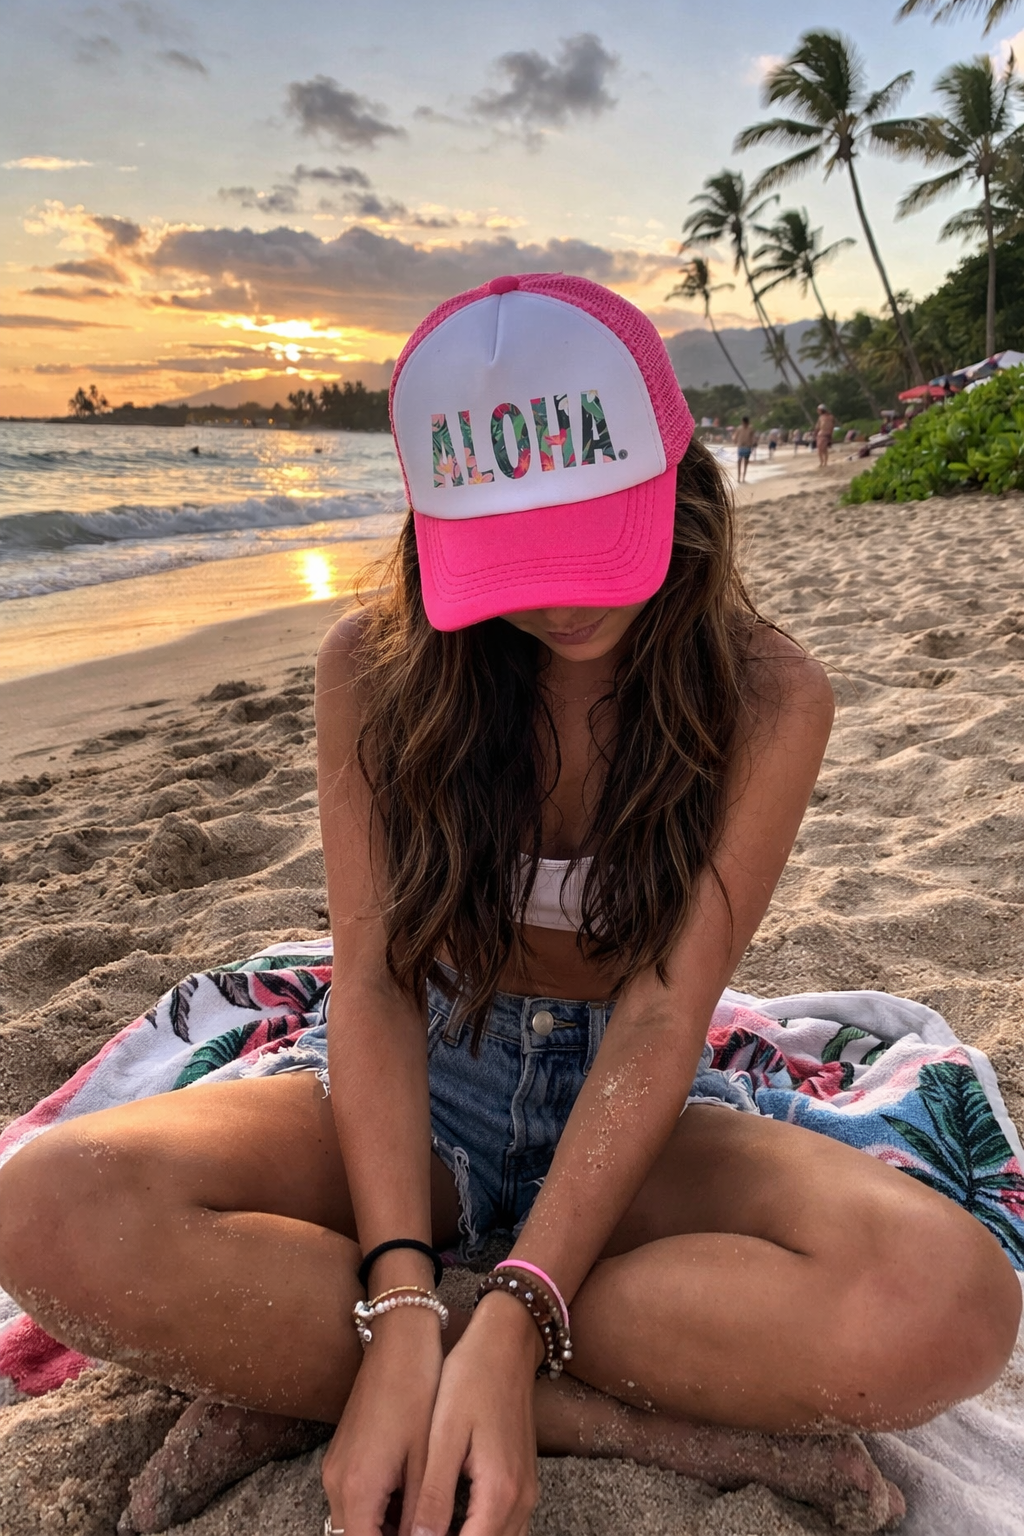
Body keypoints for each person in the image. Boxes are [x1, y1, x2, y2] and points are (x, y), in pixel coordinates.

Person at [0, 274, 1019, 1536]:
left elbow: (661, 1018)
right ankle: (533, 1389)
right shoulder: (376, 671)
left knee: (944, 1303)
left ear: (677, 479)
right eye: (520, 556)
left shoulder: (767, 695)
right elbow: (368, 982)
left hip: (636, 1108)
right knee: (54, 1205)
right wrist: (399, 1286)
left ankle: (388, 1367)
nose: (567, 596)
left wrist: (524, 1299)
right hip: (419, 1080)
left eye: (598, 537)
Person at [734, 415, 756, 482]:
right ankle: (739, 478)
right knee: (739, 461)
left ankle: (743, 478)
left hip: (747, 447)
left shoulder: (750, 429)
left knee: (745, 463)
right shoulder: (739, 428)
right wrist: (735, 441)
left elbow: (753, 437)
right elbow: (735, 437)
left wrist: (753, 444)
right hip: (741, 446)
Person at [816, 404, 836, 469]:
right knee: (822, 449)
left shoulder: (826, 417)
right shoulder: (826, 417)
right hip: (824, 434)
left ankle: (824, 462)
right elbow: (819, 426)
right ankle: (823, 462)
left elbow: (831, 425)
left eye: (818, 410)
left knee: (822, 449)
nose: (817, 411)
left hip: (824, 434)